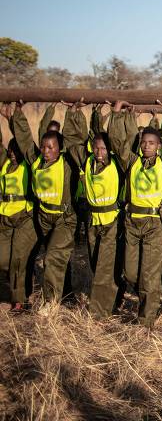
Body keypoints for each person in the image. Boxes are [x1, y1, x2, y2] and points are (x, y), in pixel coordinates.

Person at [108, 100, 162, 328]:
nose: (147, 146)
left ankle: (146, 319)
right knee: (130, 273)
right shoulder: (132, 162)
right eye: (144, 142)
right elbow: (118, 143)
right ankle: (147, 295)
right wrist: (117, 113)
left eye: (152, 143)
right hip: (132, 222)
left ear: (158, 146)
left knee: (149, 273)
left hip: (155, 223)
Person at [10, 101, 79, 314]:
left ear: (60, 149)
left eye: (51, 147)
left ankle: (51, 301)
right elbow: (23, 138)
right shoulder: (36, 160)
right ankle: (29, 297)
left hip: (64, 219)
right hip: (42, 217)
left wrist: (73, 111)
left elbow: (73, 137)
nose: (46, 151)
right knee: (34, 255)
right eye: (43, 146)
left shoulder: (67, 164)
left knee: (51, 258)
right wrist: (18, 112)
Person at [67, 101, 126, 320]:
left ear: (110, 149)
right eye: (96, 147)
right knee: (95, 262)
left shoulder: (117, 163)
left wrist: (117, 114)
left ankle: (100, 312)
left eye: (103, 148)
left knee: (103, 267)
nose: (99, 152)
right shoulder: (88, 160)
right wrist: (72, 113)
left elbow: (119, 139)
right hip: (93, 221)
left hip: (112, 221)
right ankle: (118, 293)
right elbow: (73, 142)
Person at [0, 104, 37, 312]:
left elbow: (25, 141)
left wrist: (14, 120)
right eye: (10, 150)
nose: (13, 153)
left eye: (16, 150)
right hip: (5, 217)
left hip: (24, 217)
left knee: (18, 260)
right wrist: (5, 118)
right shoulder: (4, 164)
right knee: (3, 260)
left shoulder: (30, 164)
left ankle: (20, 301)